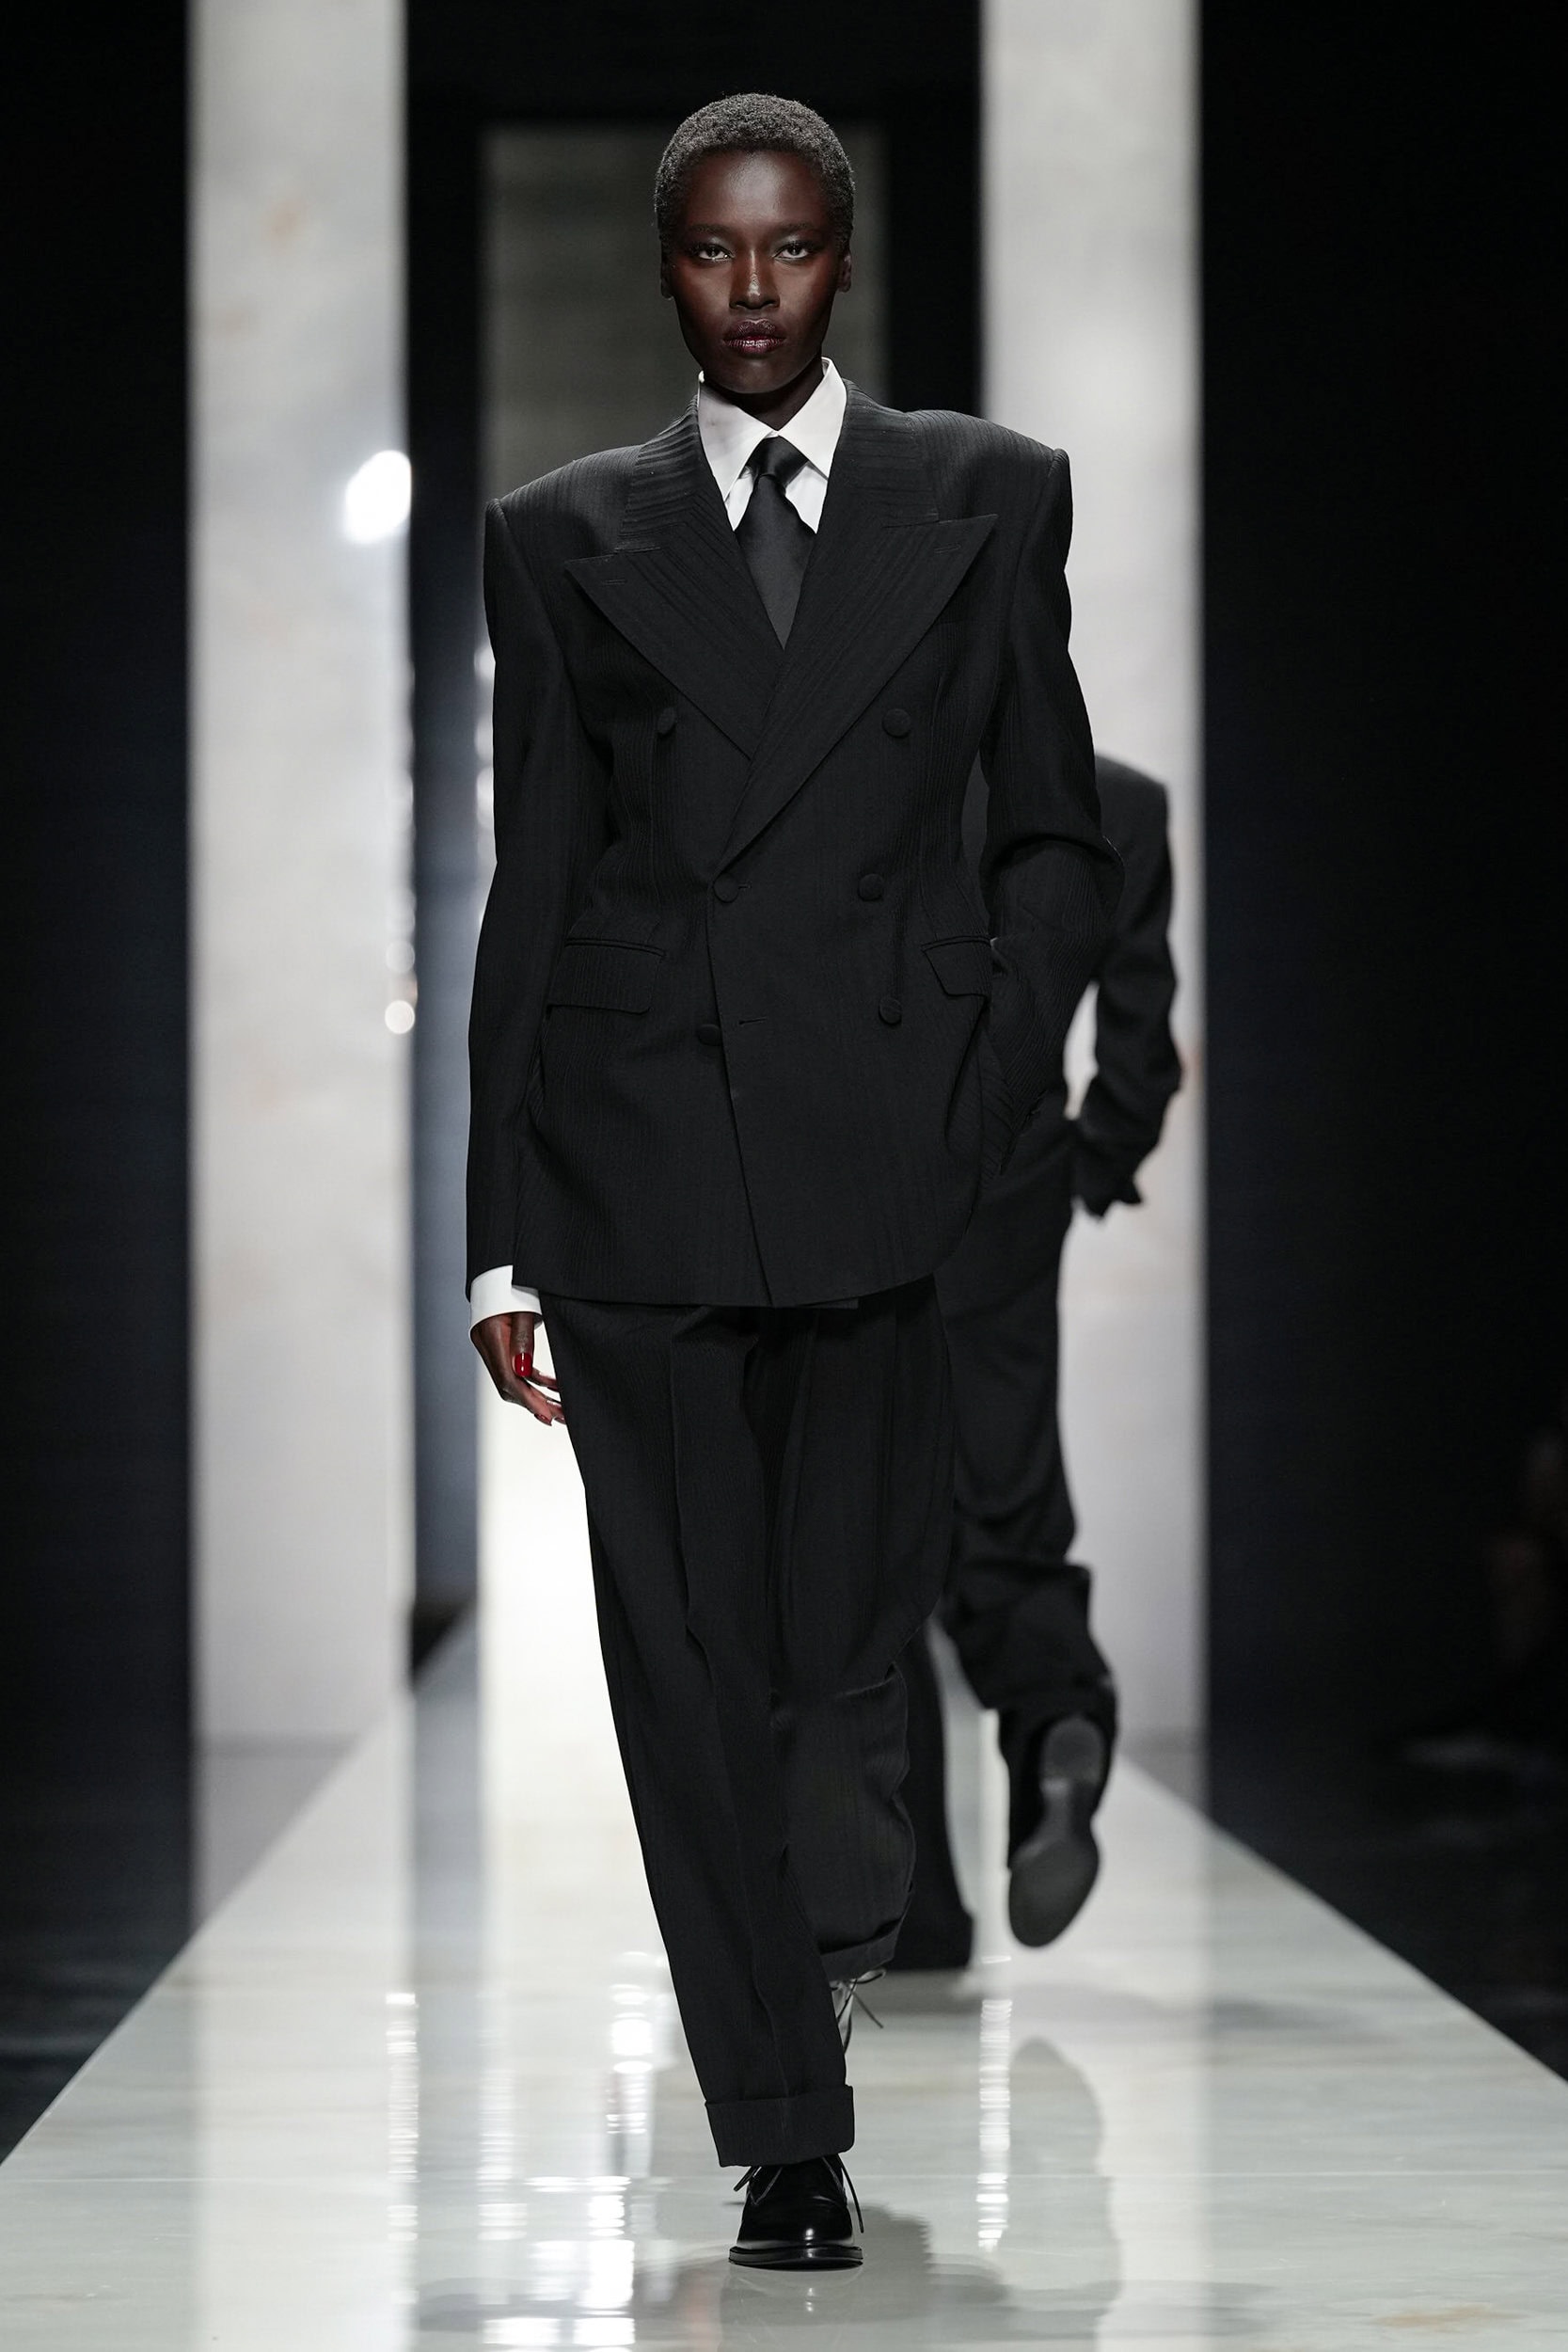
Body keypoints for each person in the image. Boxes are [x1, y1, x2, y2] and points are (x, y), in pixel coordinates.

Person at [466, 92, 1118, 2271]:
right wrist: (496, 1231)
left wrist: (986, 1078)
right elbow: (537, 883)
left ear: (844, 261)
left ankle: (821, 1949)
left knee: (841, 1662)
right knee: (684, 1661)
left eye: (792, 249)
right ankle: (784, 2129)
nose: (753, 290)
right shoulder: (565, 535)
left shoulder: (986, 496)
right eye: (714, 252)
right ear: (669, 268)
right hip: (639, 1161)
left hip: (889, 1161)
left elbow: (1054, 829)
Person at [894, 756, 1181, 1970]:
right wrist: (1089, 1165)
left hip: (867, 1176)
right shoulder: (1119, 804)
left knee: (868, 1517)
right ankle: (1059, 1715)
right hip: (1015, 1178)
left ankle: (914, 1905)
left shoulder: (877, 777)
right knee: (1005, 1483)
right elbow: (1141, 1038)